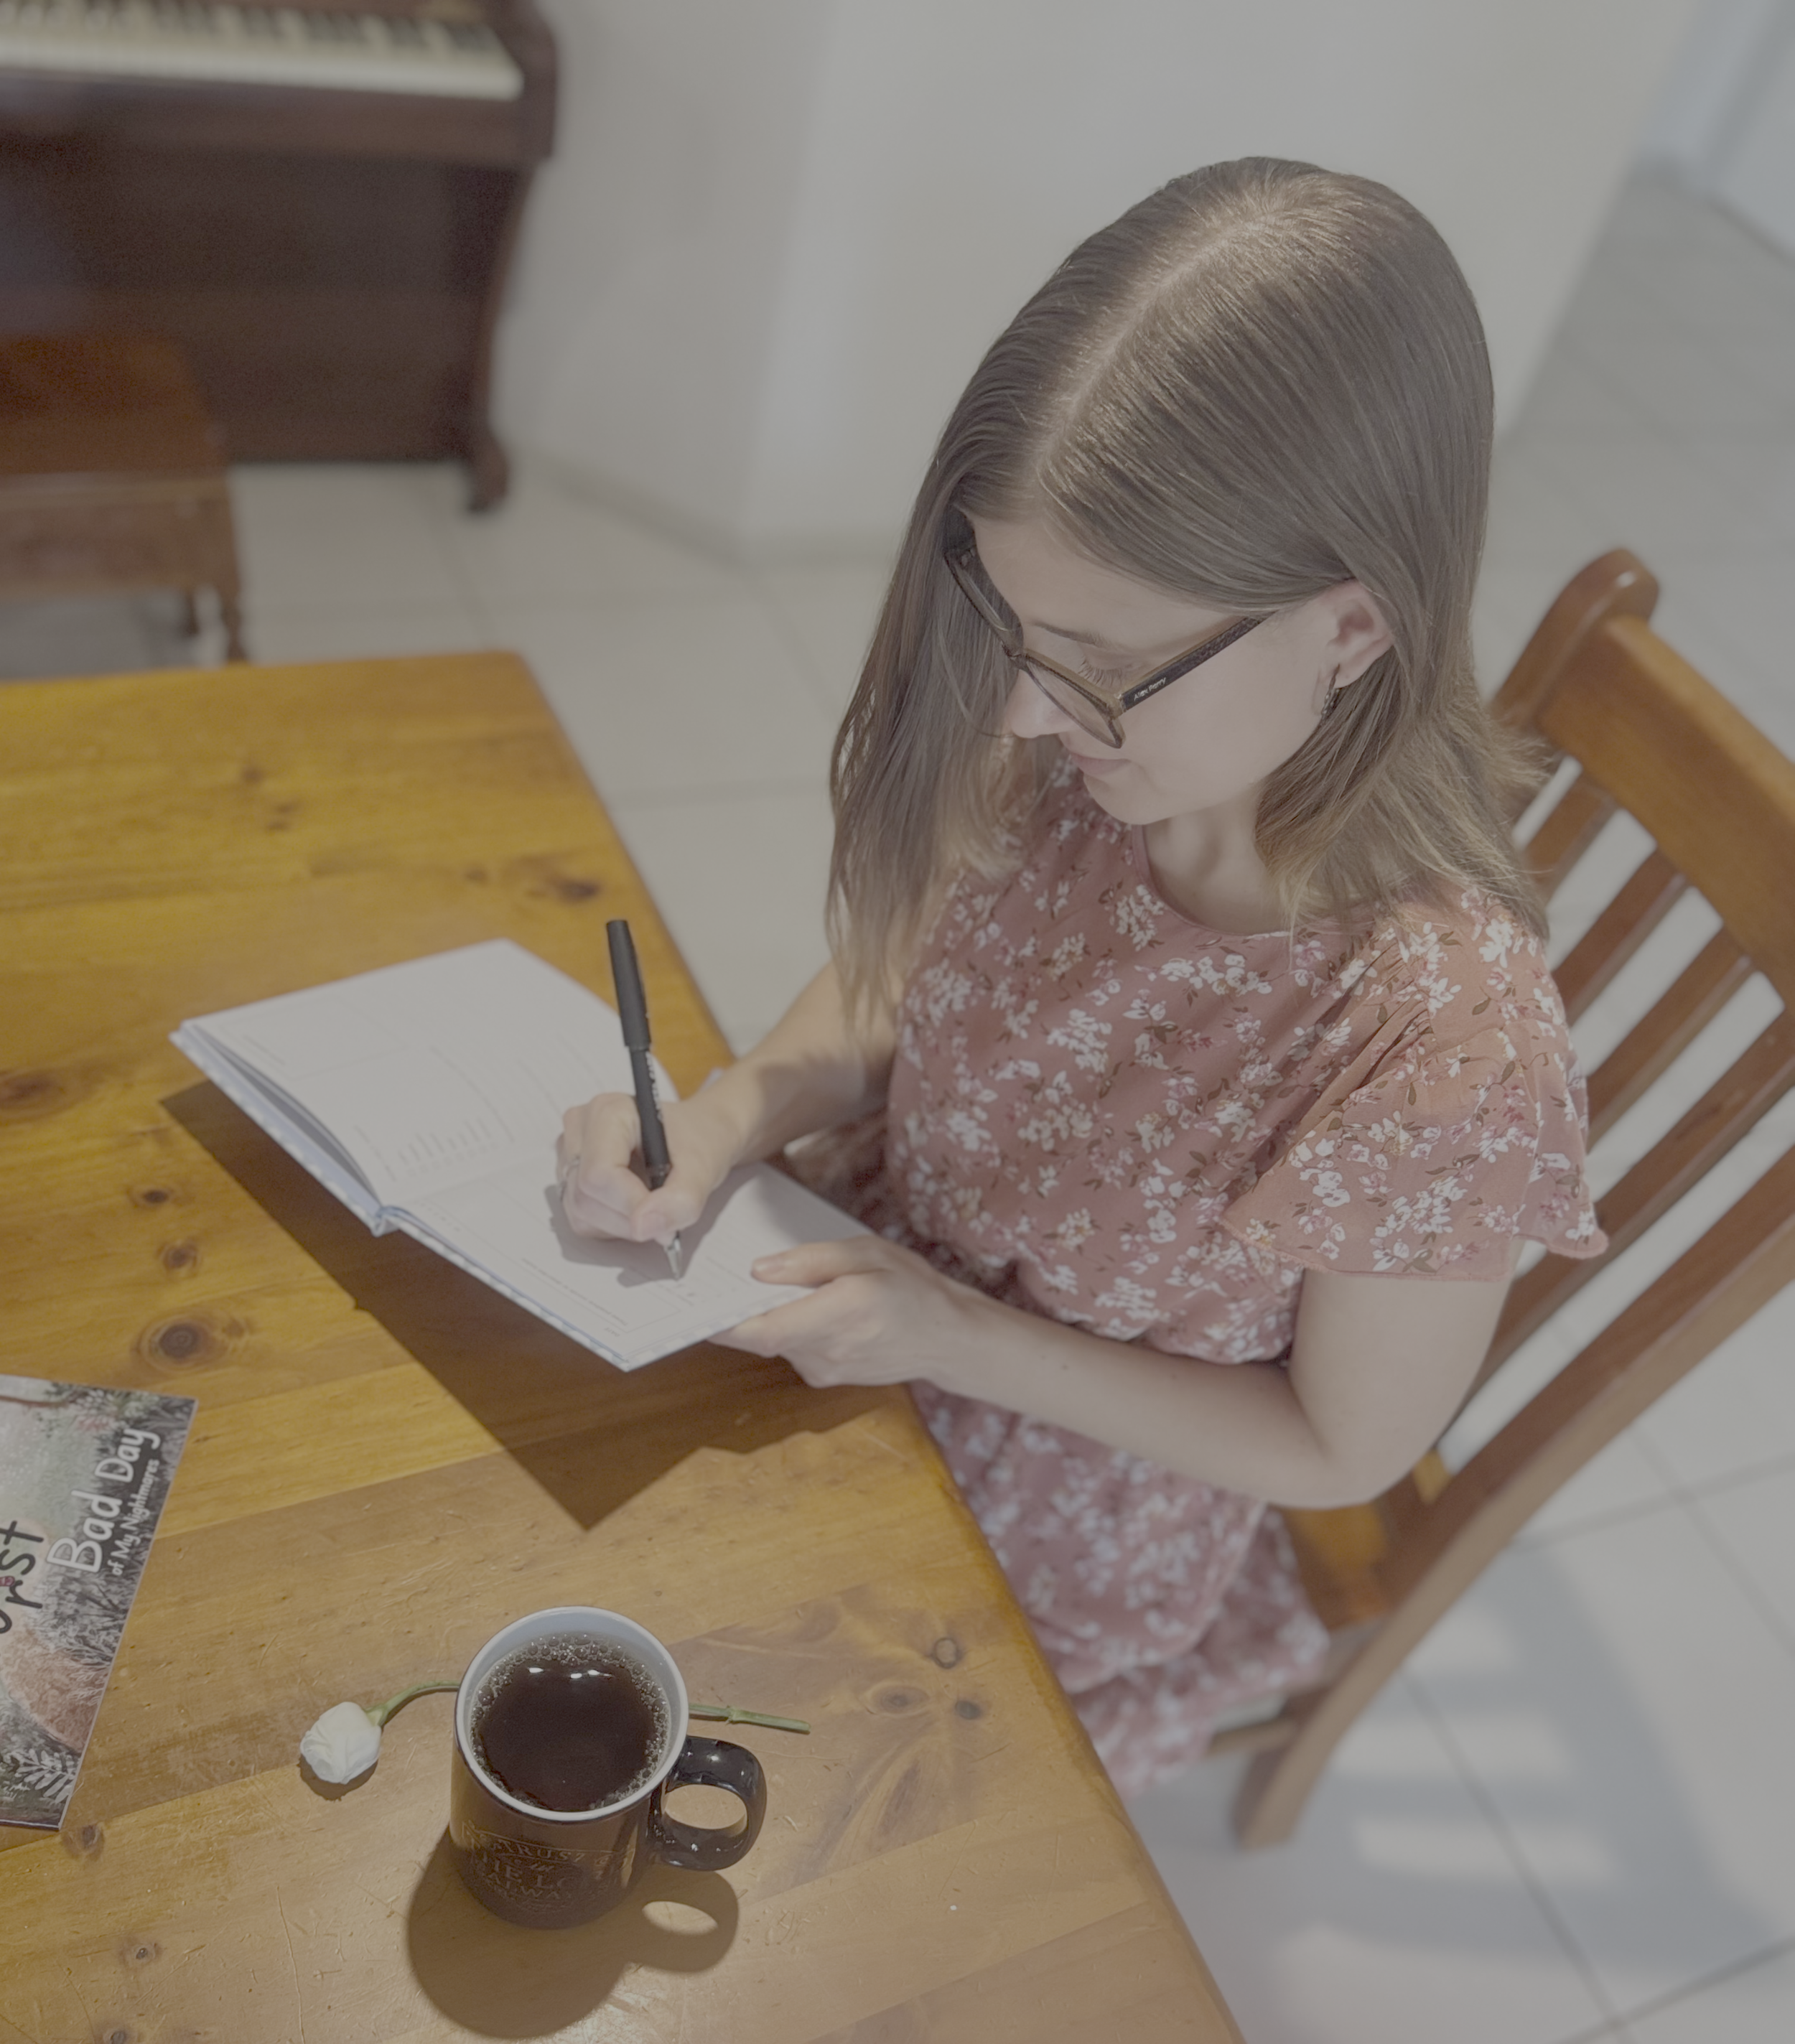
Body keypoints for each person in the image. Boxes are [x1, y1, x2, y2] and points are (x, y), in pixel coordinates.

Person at [559, 158, 1604, 1798]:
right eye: (1013, 634)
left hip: (1051, 1508)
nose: (1026, 714)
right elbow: (923, 975)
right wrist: (734, 1110)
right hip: (854, 1302)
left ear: (1350, 629)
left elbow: (1339, 1441)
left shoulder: (1438, 1048)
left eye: (1102, 668)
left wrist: (953, 1336)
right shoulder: (1102, 751)